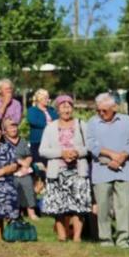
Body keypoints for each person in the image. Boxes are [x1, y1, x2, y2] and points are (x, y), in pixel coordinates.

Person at [87, 93, 129, 249]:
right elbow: (91, 145)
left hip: (124, 169)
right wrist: (111, 155)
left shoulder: (126, 120)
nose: (101, 114)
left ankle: (123, 239)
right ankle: (106, 239)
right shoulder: (93, 122)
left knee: (124, 206)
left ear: (114, 108)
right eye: (99, 111)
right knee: (103, 207)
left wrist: (121, 157)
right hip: (101, 170)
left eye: (105, 110)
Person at [40, 94, 92, 242]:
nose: (66, 109)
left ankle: (77, 237)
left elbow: (89, 147)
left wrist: (77, 152)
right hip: (57, 170)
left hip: (78, 170)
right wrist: (61, 153)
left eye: (69, 106)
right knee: (58, 206)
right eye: (63, 106)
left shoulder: (82, 124)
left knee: (78, 205)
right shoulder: (50, 127)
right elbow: (42, 150)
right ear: (57, 109)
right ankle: (62, 235)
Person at [3, 117, 38, 220]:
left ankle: (31, 212)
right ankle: (14, 211)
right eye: (10, 127)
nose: (13, 129)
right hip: (9, 170)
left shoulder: (22, 140)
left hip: (24, 170)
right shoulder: (3, 142)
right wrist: (19, 162)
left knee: (27, 183)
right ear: (5, 130)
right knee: (12, 184)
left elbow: (29, 155)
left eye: (15, 126)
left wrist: (25, 165)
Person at [27, 88, 57, 165]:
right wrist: (49, 126)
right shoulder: (32, 110)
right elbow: (33, 121)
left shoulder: (51, 110)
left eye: (48, 98)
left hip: (52, 141)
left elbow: (57, 121)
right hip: (38, 141)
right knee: (39, 164)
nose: (48, 100)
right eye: (46, 98)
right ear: (40, 99)